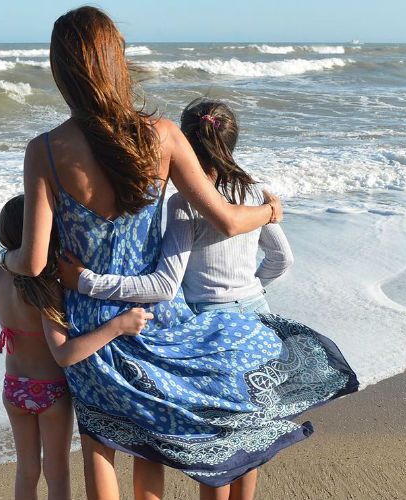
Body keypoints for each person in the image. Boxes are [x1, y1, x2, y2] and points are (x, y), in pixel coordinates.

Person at [0, 7, 357, 500]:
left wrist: (3, 260)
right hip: (155, 314)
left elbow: (33, 264)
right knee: (152, 444)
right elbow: (225, 219)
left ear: (63, 72)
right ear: (115, 61)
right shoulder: (162, 134)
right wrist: (270, 214)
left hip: (88, 322)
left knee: (99, 443)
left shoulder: (45, 149)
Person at [57, 97, 294, 498]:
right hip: (257, 318)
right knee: (253, 432)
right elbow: (282, 258)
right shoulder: (256, 194)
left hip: (211, 329)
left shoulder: (184, 204)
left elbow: (166, 284)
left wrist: (87, 282)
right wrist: (253, 289)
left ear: (185, 143)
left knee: (219, 446)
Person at [0, 195, 153, 500]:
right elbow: (64, 354)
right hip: (49, 391)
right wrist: (117, 326)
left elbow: (1, 258)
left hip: (13, 388)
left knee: (26, 472)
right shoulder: (46, 284)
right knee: (56, 473)